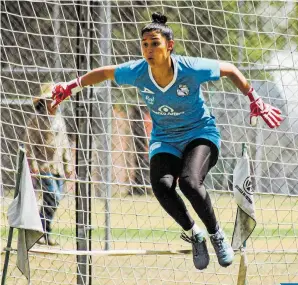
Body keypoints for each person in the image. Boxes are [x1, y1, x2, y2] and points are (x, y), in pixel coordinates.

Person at [51, 13, 282, 269]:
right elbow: (104, 73)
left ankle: (217, 234)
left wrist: (254, 98)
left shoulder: (190, 68)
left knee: (190, 183)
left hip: (199, 133)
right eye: (145, 44)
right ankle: (195, 234)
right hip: (165, 138)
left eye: (155, 43)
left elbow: (230, 69)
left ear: (169, 46)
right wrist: (70, 86)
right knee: (161, 186)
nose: (149, 49)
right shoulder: (137, 72)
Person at [25, 84, 73, 246]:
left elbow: (64, 142)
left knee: (53, 201)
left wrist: (68, 165)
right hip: (44, 166)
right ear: (43, 102)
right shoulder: (36, 120)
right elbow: (29, 145)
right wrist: (33, 164)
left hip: (58, 167)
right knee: (53, 197)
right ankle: (42, 231)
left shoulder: (59, 119)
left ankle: (41, 232)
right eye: (49, 100)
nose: (53, 103)